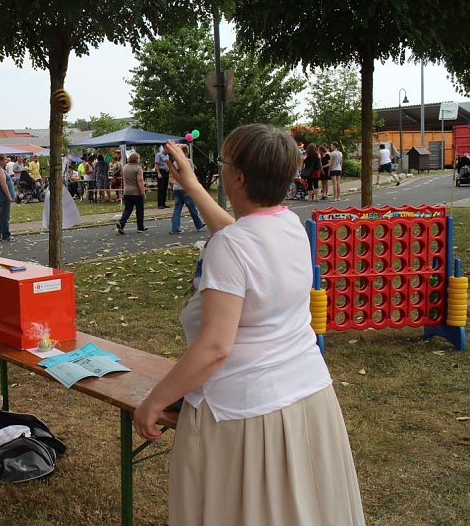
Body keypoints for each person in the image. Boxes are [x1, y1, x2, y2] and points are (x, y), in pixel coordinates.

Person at [134, 124, 365, 525]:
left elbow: (214, 349)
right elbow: (240, 234)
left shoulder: (232, 246)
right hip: (306, 396)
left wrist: (153, 402)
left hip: (244, 415)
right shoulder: (289, 223)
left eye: (224, 163)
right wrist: (191, 183)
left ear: (238, 178)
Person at [169, 144, 205, 233]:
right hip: (185, 187)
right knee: (192, 207)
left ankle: (175, 227)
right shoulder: (188, 161)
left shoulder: (175, 162)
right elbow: (191, 174)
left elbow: (173, 174)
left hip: (176, 187)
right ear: (185, 152)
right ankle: (199, 224)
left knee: (177, 208)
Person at [115, 152, 146, 234]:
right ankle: (140, 227)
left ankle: (121, 223)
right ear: (136, 159)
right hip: (136, 192)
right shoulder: (138, 168)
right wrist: (142, 192)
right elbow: (140, 180)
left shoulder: (125, 167)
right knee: (139, 210)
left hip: (127, 191)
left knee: (128, 209)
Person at [0, 153, 15, 242]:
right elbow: (3, 184)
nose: (7, 161)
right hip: (3, 198)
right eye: (5, 159)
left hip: (1, 197)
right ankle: (6, 235)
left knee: (2, 216)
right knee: (5, 217)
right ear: (0, 161)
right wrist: (9, 196)